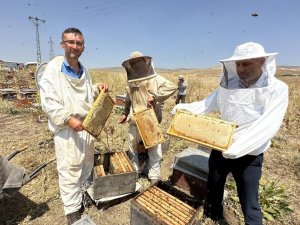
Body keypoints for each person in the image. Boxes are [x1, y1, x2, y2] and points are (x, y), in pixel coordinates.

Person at [172, 42, 288, 225]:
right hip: (221, 145)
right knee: (215, 183)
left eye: (246, 63)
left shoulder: (277, 89)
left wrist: (239, 146)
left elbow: (269, 125)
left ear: (262, 61)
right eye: (238, 64)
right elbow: (207, 104)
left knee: (249, 200)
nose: (240, 68)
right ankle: (213, 214)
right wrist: (184, 108)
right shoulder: (228, 85)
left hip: (249, 152)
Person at [39, 27, 108, 225]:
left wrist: (98, 89)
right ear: (62, 44)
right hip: (67, 129)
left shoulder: (83, 69)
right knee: (69, 170)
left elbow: (86, 96)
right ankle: (72, 212)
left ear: (83, 47)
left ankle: (82, 198)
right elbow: (49, 102)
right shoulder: (53, 68)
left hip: (86, 126)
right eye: (70, 42)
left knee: (86, 166)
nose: (74, 47)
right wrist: (68, 118)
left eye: (78, 43)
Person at [119, 51, 177, 185]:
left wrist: (155, 97)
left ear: (143, 62)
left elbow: (171, 87)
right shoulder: (131, 82)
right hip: (134, 121)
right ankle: (135, 171)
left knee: (154, 149)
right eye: (133, 63)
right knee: (132, 147)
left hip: (150, 120)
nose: (136, 65)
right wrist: (125, 112)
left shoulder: (154, 78)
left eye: (138, 62)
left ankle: (154, 176)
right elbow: (128, 100)